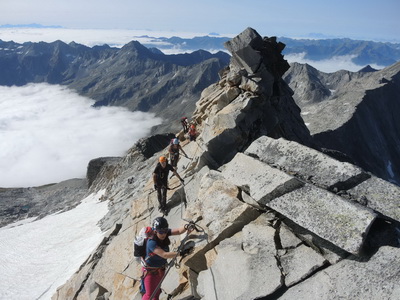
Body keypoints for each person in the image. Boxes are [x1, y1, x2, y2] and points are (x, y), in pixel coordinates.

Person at [142, 217, 194, 300]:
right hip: (150, 273)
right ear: (155, 231)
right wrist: (181, 253)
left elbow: (179, 231)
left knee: (157, 292)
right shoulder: (151, 243)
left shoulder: (164, 232)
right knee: (150, 296)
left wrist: (186, 227)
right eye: (161, 232)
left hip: (160, 270)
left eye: (165, 231)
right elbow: (164, 255)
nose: (164, 234)